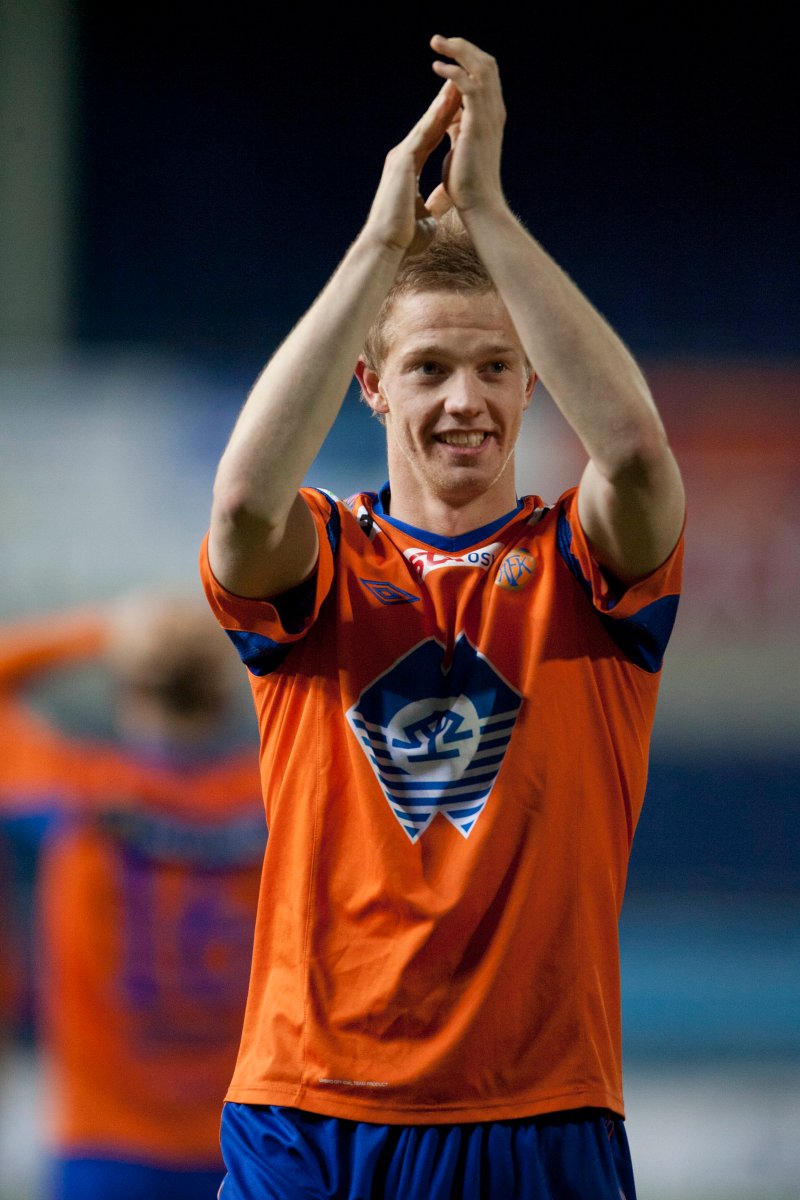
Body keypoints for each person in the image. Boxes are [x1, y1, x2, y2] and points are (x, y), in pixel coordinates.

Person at [200, 32, 686, 1200]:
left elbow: (632, 452)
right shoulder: (322, 558)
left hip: (535, 1110)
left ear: (532, 380)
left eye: (494, 367)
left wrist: (489, 216)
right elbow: (244, 503)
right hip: (306, 1108)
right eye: (426, 369)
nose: (464, 399)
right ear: (370, 386)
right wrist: (379, 247)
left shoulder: (583, 564)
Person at [0, 593, 266, 1200]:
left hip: (105, 1144)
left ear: (126, 692)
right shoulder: (273, 799)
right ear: (222, 696)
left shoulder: (74, 793)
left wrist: (106, 630)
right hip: (244, 1139)